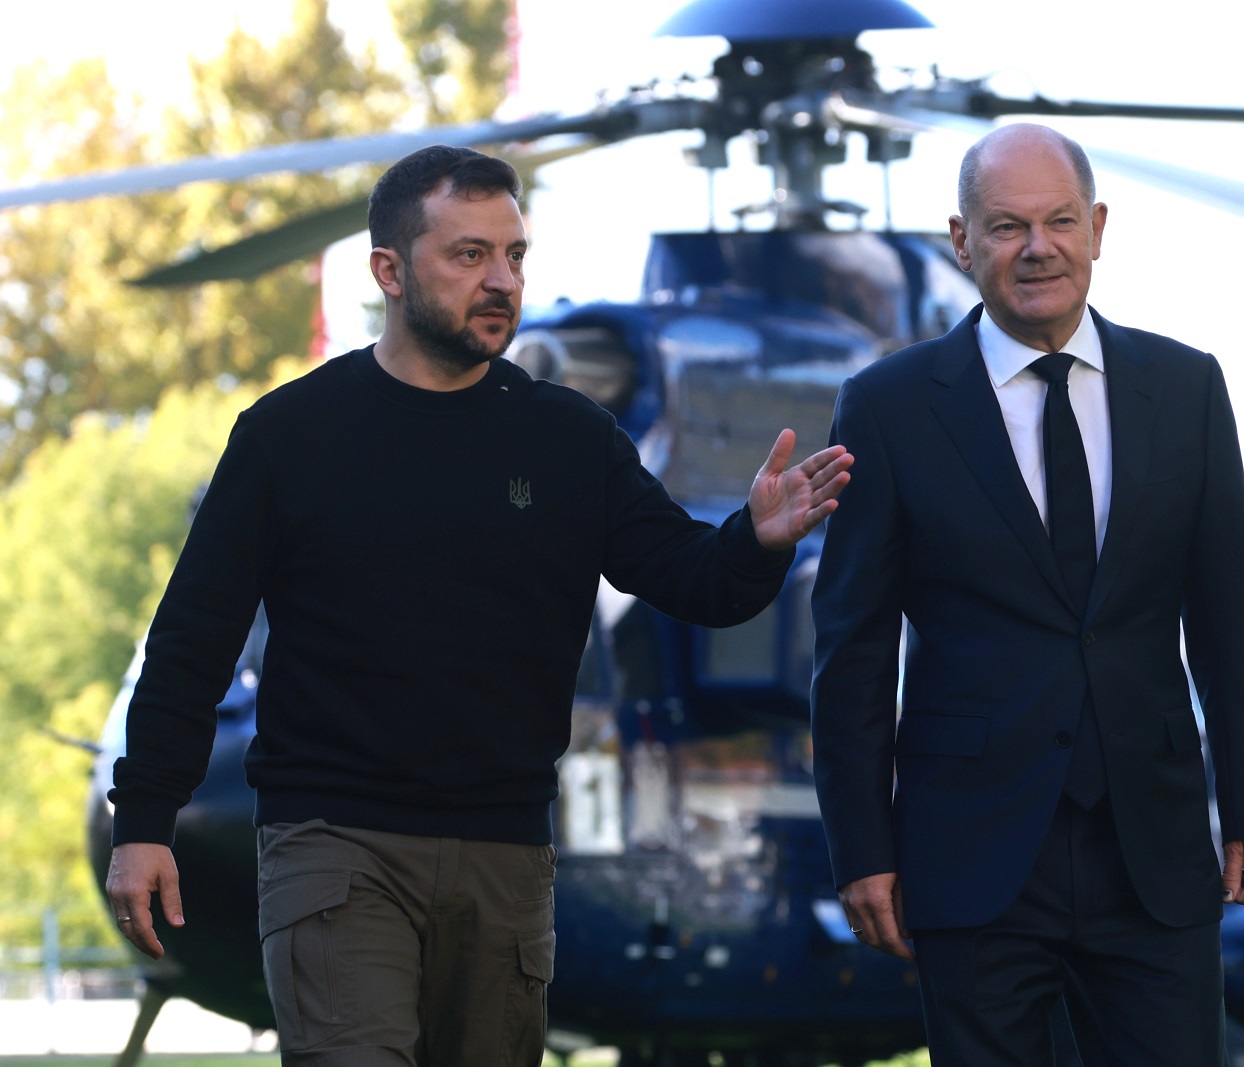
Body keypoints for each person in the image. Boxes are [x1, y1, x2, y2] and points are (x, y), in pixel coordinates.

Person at [103, 145, 854, 1066]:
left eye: (515, 256)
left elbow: (691, 579)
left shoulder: (569, 437)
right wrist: (144, 820)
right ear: (389, 270)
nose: (502, 281)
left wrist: (758, 538)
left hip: (504, 855)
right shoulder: (290, 436)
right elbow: (195, 638)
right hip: (337, 847)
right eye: (468, 255)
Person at [809, 122, 1244, 1065]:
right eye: (1007, 226)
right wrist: (861, 845)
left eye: (1060, 220)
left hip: (1151, 851)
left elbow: (1231, 620)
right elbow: (853, 650)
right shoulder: (889, 406)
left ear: (1098, 227)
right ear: (962, 242)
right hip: (973, 855)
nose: (1038, 248)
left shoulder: (1188, 388)